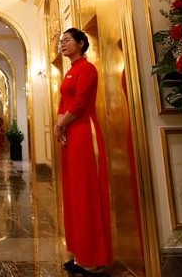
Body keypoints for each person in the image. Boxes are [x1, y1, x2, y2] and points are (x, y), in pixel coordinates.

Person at [53, 28, 113, 276]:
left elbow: (80, 103)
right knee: (73, 192)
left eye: (67, 40)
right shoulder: (69, 71)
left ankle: (93, 257)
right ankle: (79, 253)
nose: (63, 44)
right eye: (61, 41)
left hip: (84, 133)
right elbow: (63, 103)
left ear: (81, 43)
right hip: (70, 132)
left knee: (86, 192)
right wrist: (59, 125)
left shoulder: (87, 69)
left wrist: (61, 123)